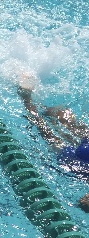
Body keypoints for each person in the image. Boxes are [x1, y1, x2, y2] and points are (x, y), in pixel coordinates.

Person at [18, 84, 89, 212]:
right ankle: (27, 98)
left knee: (62, 125)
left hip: (79, 161)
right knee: (48, 129)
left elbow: (84, 202)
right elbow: (84, 202)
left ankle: (30, 98)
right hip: (78, 163)